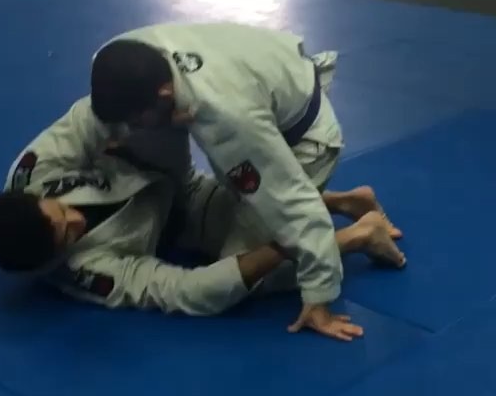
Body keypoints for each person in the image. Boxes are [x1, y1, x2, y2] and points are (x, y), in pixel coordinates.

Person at [0, 98, 404, 340]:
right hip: (184, 221)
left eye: (60, 212)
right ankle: (355, 233)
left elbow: (90, 114)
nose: (75, 219)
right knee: (252, 279)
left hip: (159, 167)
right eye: (67, 236)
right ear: (51, 260)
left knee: (136, 101)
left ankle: (339, 205)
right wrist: (284, 247)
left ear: (33, 198)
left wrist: (157, 109)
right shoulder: (84, 273)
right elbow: (186, 290)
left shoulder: (32, 171)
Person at [88, 22, 405, 337]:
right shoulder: (118, 54)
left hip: (305, 140)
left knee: (246, 273)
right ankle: (346, 201)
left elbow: (293, 202)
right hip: (268, 80)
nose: (128, 129)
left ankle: (361, 234)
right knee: (145, 135)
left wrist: (319, 297)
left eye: (134, 119)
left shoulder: (226, 119)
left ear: (165, 94)